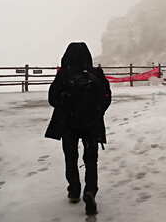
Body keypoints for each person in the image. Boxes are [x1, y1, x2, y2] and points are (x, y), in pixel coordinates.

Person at [45, 42, 111, 216]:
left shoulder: (64, 75)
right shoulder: (96, 74)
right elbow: (106, 98)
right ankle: (90, 192)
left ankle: (74, 190)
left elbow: (52, 99)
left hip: (68, 125)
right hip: (92, 125)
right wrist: (97, 113)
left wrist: (65, 105)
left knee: (71, 157)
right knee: (91, 160)